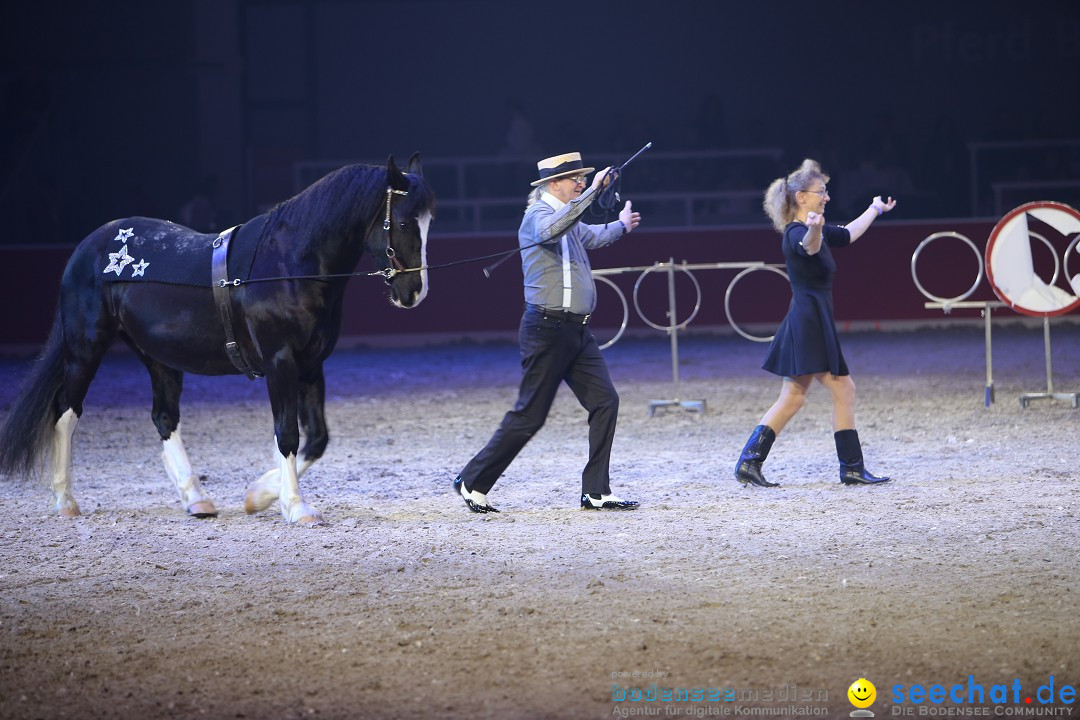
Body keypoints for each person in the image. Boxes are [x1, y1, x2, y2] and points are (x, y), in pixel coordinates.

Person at [453, 152, 642, 513]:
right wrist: (593, 192)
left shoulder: (569, 218)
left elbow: (593, 235)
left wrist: (622, 225)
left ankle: (596, 492)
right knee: (530, 415)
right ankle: (472, 480)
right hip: (546, 330)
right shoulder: (537, 216)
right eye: (576, 179)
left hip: (577, 333)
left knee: (605, 401)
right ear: (554, 184)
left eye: (584, 179)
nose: (582, 183)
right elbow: (555, 228)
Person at [734, 158, 895, 488]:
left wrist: (875, 209)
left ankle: (749, 462)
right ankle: (850, 467)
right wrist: (816, 229)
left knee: (793, 397)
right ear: (801, 197)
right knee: (843, 388)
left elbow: (849, 234)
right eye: (821, 191)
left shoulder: (812, 227)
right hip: (809, 321)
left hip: (808, 319)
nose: (827, 197)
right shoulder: (797, 233)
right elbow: (808, 246)